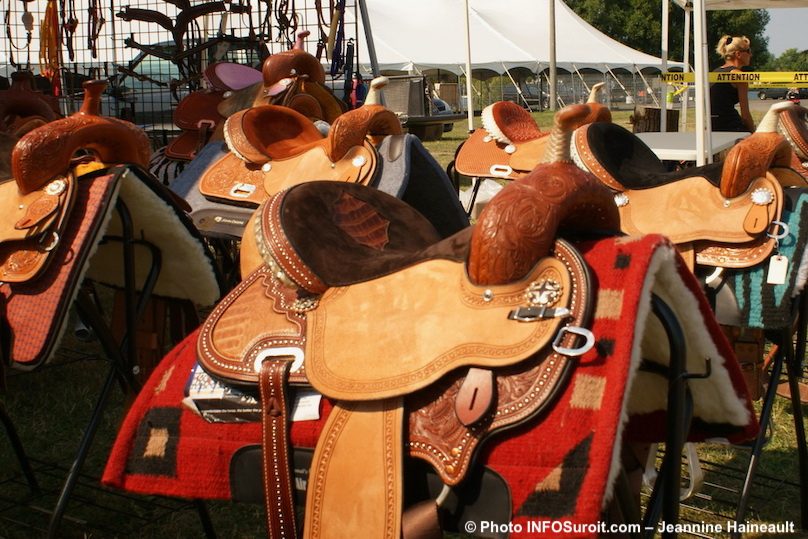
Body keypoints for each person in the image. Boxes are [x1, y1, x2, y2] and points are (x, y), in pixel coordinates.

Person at [709, 35, 755, 133]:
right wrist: (754, 133)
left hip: (712, 126)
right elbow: (745, 115)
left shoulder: (715, 72)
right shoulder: (739, 75)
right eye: (748, 51)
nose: (751, 55)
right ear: (738, 54)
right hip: (731, 126)